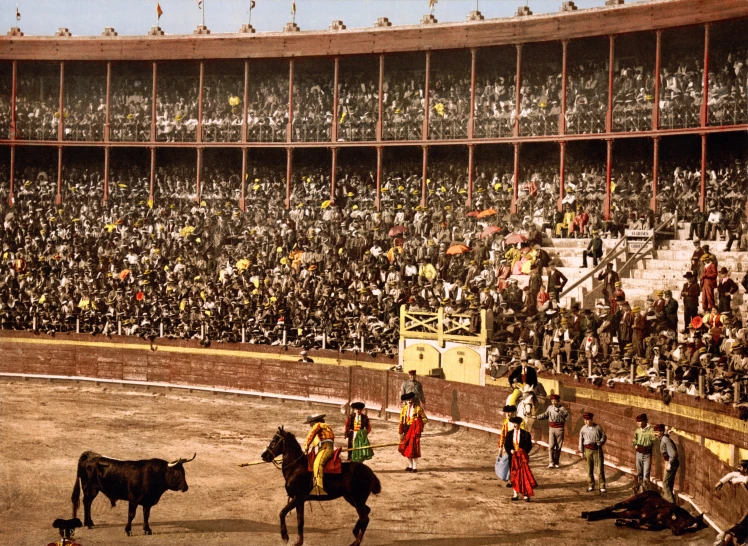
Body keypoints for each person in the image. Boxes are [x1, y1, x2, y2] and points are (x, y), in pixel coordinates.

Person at [714, 460, 748, 546]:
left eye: (740, 467)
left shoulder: (746, 478)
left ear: (746, 469)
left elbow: (742, 480)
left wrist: (733, 480)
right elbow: (732, 474)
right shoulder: (743, 474)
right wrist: (721, 482)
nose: (738, 468)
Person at [504, 416, 536, 502]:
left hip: (522, 457)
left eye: (516, 424)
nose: (515, 425)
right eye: (514, 424)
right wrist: (510, 450)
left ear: (519, 424)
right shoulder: (509, 434)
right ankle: (515, 494)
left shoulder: (526, 434)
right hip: (513, 457)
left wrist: (523, 452)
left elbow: (529, 445)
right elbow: (506, 444)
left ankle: (525, 495)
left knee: (523, 475)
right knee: (514, 475)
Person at [303, 414, 335, 496]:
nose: (310, 425)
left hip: (325, 448)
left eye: (310, 423)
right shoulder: (323, 427)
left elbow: (311, 435)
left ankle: (319, 488)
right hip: (324, 447)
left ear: (314, 422)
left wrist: (306, 446)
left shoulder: (318, 425)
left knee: (317, 463)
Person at [535, 393, 569, 468]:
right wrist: (536, 417)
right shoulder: (550, 407)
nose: (553, 402)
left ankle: (556, 462)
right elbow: (545, 415)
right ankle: (551, 462)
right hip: (551, 428)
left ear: (558, 401)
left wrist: (559, 411)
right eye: (552, 401)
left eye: (555, 401)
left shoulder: (562, 408)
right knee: (551, 446)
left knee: (558, 447)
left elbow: (567, 416)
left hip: (560, 429)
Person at [398, 392, 427, 472]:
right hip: (406, 429)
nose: (409, 401)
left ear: (413, 399)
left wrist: (418, 422)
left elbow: (425, 419)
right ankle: (410, 465)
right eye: (407, 400)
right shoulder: (404, 409)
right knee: (406, 447)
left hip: (414, 431)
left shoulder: (418, 409)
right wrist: (401, 432)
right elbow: (401, 421)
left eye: (410, 399)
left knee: (413, 448)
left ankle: (414, 467)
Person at [578, 411, 607, 493]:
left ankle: (602, 486)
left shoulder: (598, 427)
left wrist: (601, 442)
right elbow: (580, 440)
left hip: (597, 450)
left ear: (591, 420)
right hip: (587, 450)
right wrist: (581, 451)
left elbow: (604, 436)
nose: (585, 421)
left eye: (587, 420)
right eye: (584, 420)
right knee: (589, 469)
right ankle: (591, 485)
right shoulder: (583, 429)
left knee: (600, 469)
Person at [654, 423, 679, 503]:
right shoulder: (665, 438)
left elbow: (673, 454)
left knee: (665, 483)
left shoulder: (665, 440)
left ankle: (671, 503)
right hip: (672, 462)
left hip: (672, 462)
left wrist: (669, 463)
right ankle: (669, 501)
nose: (655, 434)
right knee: (669, 483)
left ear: (661, 432)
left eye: (657, 432)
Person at [633, 413, 656, 493]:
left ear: (645, 421)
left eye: (640, 422)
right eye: (637, 422)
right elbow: (634, 439)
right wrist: (635, 445)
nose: (638, 423)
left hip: (647, 454)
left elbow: (655, 439)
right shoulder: (637, 430)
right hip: (638, 453)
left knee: (646, 473)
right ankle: (640, 489)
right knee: (639, 472)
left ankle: (645, 491)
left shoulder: (651, 431)